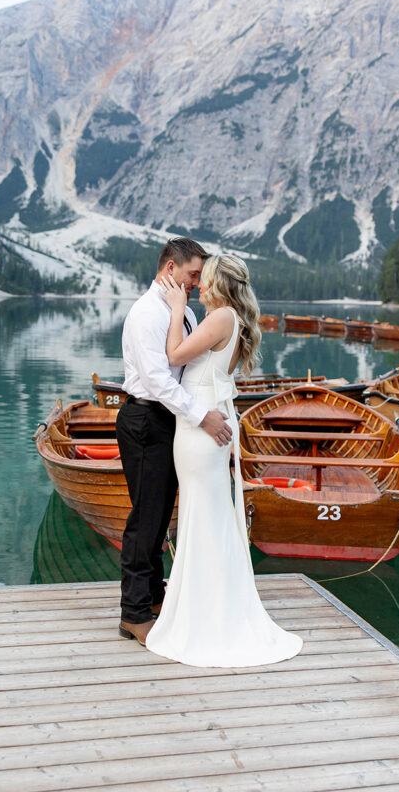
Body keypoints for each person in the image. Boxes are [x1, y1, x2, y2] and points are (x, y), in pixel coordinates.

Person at [145, 253, 303, 667]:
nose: (196, 285)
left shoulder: (219, 318)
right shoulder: (232, 320)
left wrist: (178, 311)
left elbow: (174, 357)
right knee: (208, 515)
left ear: (217, 282)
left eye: (202, 279)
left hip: (200, 427)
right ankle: (213, 608)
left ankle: (206, 618)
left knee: (203, 516)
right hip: (208, 421)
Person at [116, 237, 233, 646]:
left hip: (168, 421)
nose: (198, 282)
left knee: (160, 515)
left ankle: (154, 599)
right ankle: (133, 613)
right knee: (145, 518)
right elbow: (157, 380)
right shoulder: (147, 313)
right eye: (193, 274)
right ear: (170, 269)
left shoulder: (175, 312)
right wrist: (202, 416)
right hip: (146, 419)